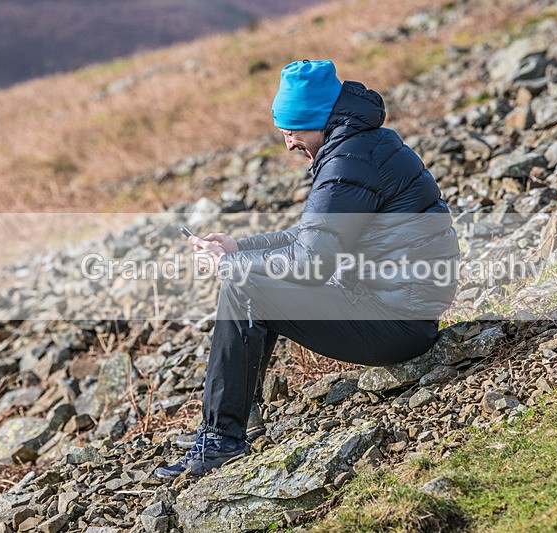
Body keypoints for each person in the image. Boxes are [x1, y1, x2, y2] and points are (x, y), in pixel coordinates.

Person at [154, 59, 459, 479]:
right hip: (397, 311)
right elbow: (311, 235)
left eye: (292, 132)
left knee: (243, 286)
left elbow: (311, 262)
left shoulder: (349, 162)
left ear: (318, 120)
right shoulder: (360, 146)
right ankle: (235, 420)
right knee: (246, 277)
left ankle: (222, 439)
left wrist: (233, 263)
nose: (289, 145)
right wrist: (240, 246)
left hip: (397, 324)